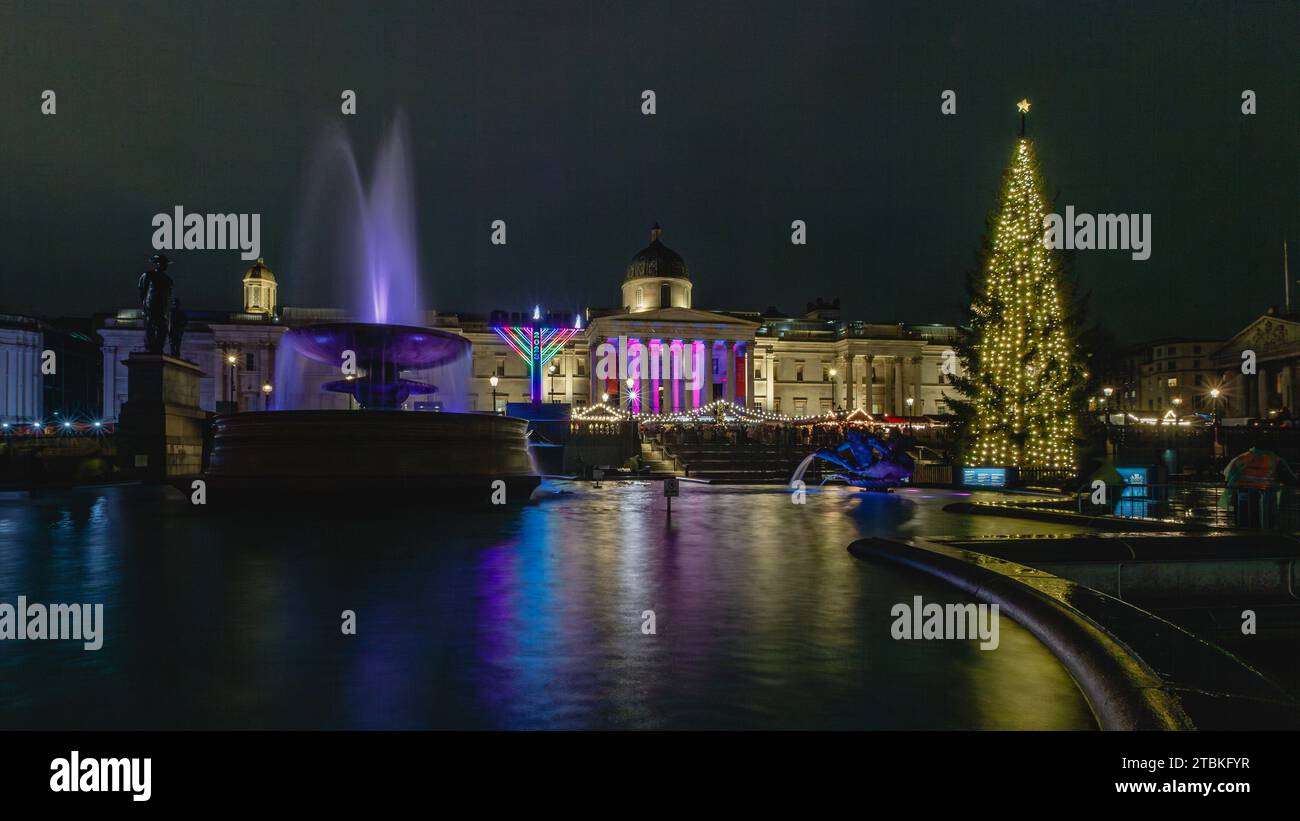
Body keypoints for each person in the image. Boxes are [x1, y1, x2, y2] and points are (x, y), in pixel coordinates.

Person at [138, 254, 173, 354]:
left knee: (163, 328)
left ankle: (158, 348)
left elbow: (168, 296)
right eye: (164, 264)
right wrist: (144, 306)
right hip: (151, 305)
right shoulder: (148, 275)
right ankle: (151, 348)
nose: (165, 266)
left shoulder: (168, 280)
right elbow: (142, 290)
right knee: (151, 326)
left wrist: (167, 310)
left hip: (162, 308)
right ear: (158, 264)